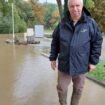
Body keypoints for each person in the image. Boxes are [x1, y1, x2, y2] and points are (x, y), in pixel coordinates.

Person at [49, 0, 103, 105]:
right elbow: (55, 41)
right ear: (68, 7)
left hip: (81, 65)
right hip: (64, 65)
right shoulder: (62, 24)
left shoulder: (90, 23)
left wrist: (93, 61)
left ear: (82, 6)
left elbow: (97, 41)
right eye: (72, 6)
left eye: (77, 5)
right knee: (61, 88)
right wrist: (52, 58)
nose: (75, 9)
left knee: (78, 89)